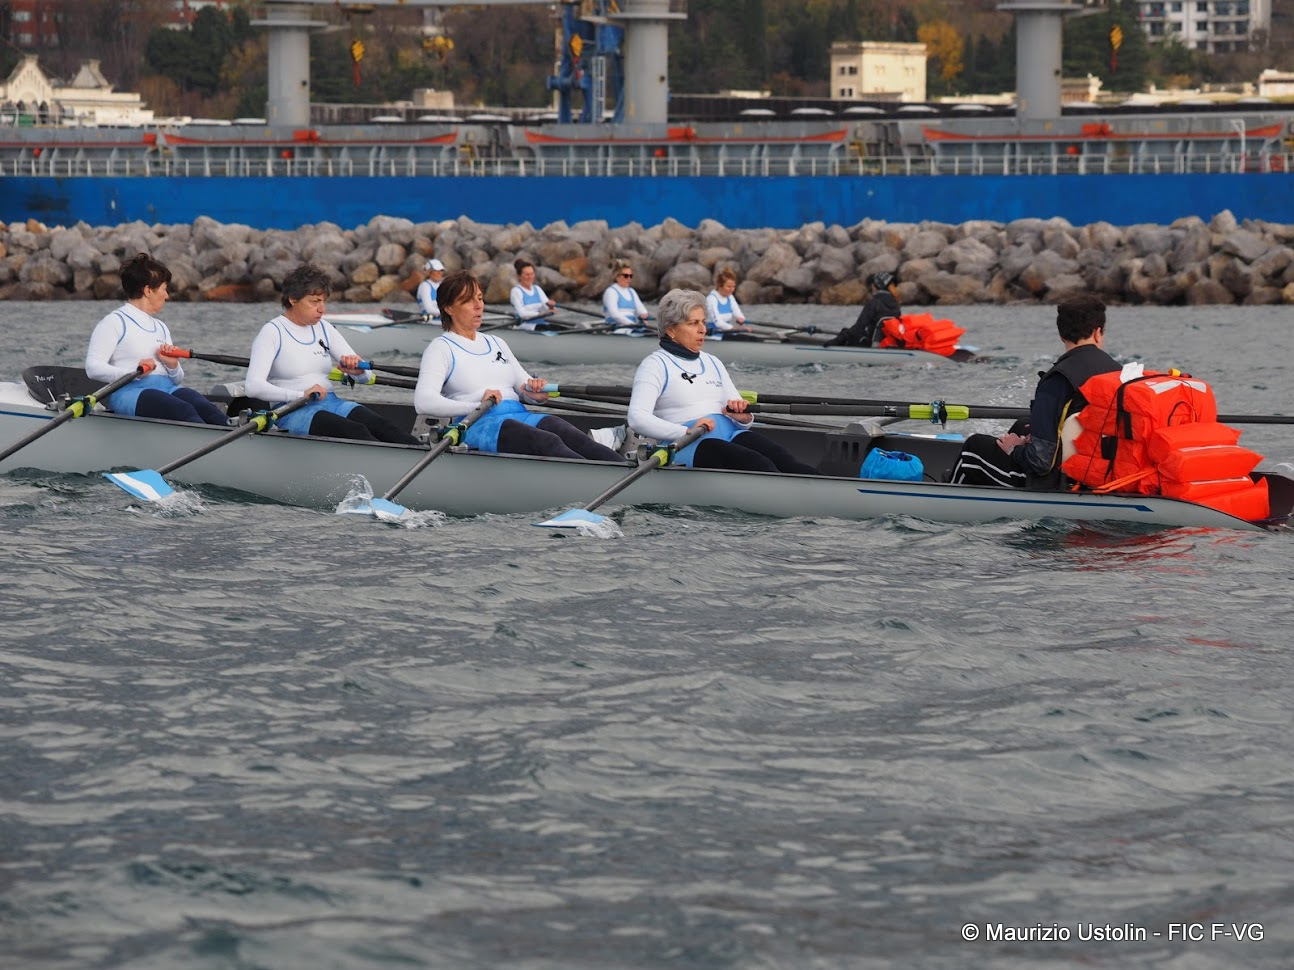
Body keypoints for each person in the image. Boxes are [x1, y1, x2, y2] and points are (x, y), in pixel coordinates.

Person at [415, 270, 627, 462]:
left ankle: (623, 471)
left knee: (568, 433)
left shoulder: (496, 342)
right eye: (468, 301)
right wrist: (476, 406)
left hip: (519, 415)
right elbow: (424, 402)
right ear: (448, 308)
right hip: (477, 425)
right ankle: (594, 480)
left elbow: (524, 385)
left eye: (479, 298)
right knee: (547, 441)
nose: (479, 306)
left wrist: (536, 394)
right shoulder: (440, 348)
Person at [627, 289, 820, 475]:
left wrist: (744, 418)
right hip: (686, 444)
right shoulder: (655, 365)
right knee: (758, 464)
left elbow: (741, 416)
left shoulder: (712, 361)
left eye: (703, 322)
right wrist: (685, 431)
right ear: (671, 330)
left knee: (786, 461)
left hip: (730, 433)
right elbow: (637, 418)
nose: (703, 329)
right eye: (693, 323)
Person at [949, 295, 1120, 488]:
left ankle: (946, 498)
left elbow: (1040, 462)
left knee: (973, 447)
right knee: (1023, 424)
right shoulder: (1120, 373)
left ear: (1061, 335)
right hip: (1104, 475)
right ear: (1097, 333)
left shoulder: (1058, 380)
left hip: (1057, 483)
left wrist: (1014, 449)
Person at [246, 263, 419, 443]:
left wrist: (358, 371)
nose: (322, 308)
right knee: (357, 432)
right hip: (291, 410)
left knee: (386, 429)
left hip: (331, 402)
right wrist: (300, 395)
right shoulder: (272, 332)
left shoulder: (324, 328)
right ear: (293, 299)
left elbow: (366, 377)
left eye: (323, 301)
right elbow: (253, 386)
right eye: (314, 301)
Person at [85, 252, 229, 425]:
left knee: (208, 409)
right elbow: (92, 368)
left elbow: (177, 379)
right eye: (164, 289)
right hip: (130, 394)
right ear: (148, 291)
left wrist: (173, 366)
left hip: (167, 389)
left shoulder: (161, 327)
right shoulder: (113, 323)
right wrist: (134, 372)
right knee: (183, 410)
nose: (167, 295)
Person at [825, 271, 901, 347]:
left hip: (873, 345)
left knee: (846, 332)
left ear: (875, 286)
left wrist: (838, 339)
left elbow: (859, 327)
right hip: (890, 344)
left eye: (872, 285)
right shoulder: (896, 304)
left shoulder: (874, 303)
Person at [603, 259, 650, 330]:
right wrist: (632, 324)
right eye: (626, 276)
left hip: (631, 327)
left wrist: (644, 318)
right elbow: (615, 315)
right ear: (617, 276)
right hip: (615, 327)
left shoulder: (632, 291)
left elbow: (642, 310)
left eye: (631, 276)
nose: (629, 279)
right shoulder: (611, 292)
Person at [509, 259, 556, 328]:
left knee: (561, 328)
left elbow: (547, 309)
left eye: (532, 274)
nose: (530, 277)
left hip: (540, 324)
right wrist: (541, 314)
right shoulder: (516, 291)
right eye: (527, 274)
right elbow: (522, 314)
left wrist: (551, 306)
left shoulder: (537, 289)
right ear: (519, 276)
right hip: (524, 325)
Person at [704, 267, 751, 333]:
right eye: (729, 287)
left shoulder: (730, 297)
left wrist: (741, 318)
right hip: (713, 334)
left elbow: (736, 310)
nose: (732, 289)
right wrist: (735, 328)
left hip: (726, 331)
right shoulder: (711, 299)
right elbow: (718, 323)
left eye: (733, 286)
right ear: (720, 286)